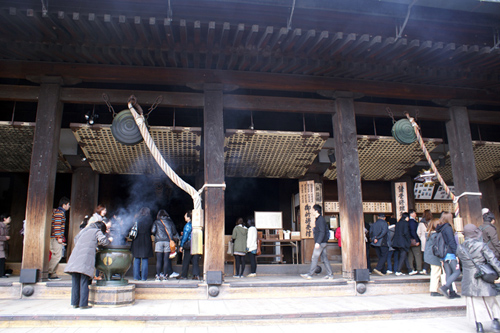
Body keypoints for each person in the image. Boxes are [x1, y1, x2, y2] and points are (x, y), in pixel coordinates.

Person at [456, 224, 500, 333]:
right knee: (491, 299)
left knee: (474, 303)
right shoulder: (482, 245)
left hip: (469, 277)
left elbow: (462, 263)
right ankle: (495, 320)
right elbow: (492, 260)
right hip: (484, 275)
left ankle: (479, 326)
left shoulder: (460, 247)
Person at [64, 221, 112, 309]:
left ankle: (75, 303)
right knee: (84, 280)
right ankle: (83, 304)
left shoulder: (85, 230)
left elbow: (76, 239)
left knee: (75, 281)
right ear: (101, 228)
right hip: (85, 258)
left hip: (75, 256)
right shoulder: (96, 231)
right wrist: (109, 240)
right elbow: (104, 242)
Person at [300, 204, 334, 280]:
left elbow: (322, 232)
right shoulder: (319, 219)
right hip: (323, 242)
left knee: (314, 257)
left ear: (316, 210)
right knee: (324, 259)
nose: (312, 211)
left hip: (321, 243)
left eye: (313, 210)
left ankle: (310, 274)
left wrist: (318, 242)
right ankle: (330, 275)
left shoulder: (320, 220)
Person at [437, 211, 461, 298]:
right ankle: (445, 287)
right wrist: (457, 254)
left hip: (443, 254)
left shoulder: (440, 228)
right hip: (450, 253)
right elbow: (451, 242)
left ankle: (452, 292)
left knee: (448, 273)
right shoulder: (448, 228)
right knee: (457, 271)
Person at [151, 209, 179, 281]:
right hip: (167, 242)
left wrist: (157, 235)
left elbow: (153, 231)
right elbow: (174, 231)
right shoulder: (170, 222)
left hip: (159, 242)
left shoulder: (156, 222)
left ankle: (158, 276)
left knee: (159, 260)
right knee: (166, 259)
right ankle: (165, 276)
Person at [48, 197, 70, 280]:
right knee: (58, 255)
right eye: (68, 205)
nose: (69, 206)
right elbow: (57, 225)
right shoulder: (59, 213)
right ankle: (48, 271)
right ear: (64, 205)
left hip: (54, 237)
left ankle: (52, 273)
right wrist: (59, 237)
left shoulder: (59, 212)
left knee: (56, 254)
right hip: (55, 237)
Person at [130, 207, 154, 281]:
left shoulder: (137, 219)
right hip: (146, 239)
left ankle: (136, 277)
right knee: (145, 259)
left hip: (137, 240)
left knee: (136, 259)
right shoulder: (149, 219)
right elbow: (151, 230)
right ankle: (144, 277)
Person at [178, 211, 201, 280]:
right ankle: (196, 275)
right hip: (197, 243)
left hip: (189, 244)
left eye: (185, 216)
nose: (184, 217)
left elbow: (185, 236)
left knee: (186, 260)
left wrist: (181, 245)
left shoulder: (188, 225)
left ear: (189, 217)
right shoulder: (197, 224)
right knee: (195, 260)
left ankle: (184, 275)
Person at [408, 209, 423, 275]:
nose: (415, 214)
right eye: (414, 213)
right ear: (411, 214)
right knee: (417, 255)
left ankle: (411, 269)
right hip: (414, 240)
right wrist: (417, 240)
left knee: (410, 256)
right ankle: (419, 269)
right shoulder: (412, 222)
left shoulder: (407, 221)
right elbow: (413, 232)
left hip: (408, 241)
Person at [417, 209, 433, 275]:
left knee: (425, 255)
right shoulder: (432, 222)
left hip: (424, 240)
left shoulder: (421, 223)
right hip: (431, 239)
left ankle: (425, 268)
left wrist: (421, 238)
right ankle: (431, 268)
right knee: (432, 254)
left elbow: (418, 232)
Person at [0, 214, 11, 278]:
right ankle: (1, 274)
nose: (10, 220)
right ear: (4, 219)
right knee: (1, 259)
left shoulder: (6, 226)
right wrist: (5, 238)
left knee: (3, 259)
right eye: (9, 218)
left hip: (3, 245)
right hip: (0, 244)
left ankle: (2, 273)